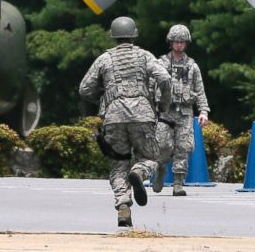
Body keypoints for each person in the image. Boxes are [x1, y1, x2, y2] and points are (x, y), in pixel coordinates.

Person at [80, 16, 171, 228]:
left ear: (114, 36)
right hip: (142, 115)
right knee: (150, 157)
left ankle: (123, 207)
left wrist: (103, 98)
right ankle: (139, 172)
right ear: (134, 35)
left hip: (113, 117)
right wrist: (163, 104)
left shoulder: (104, 59)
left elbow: (84, 88)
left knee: (118, 165)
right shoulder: (144, 56)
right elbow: (164, 78)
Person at [151, 24, 210, 197]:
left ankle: (178, 183)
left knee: (183, 147)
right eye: (176, 42)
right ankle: (160, 169)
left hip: (184, 112)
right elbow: (150, 85)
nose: (179, 45)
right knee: (162, 145)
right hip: (165, 111)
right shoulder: (160, 64)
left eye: (182, 42)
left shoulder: (192, 66)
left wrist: (204, 111)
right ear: (171, 42)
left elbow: (200, 91)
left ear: (186, 44)